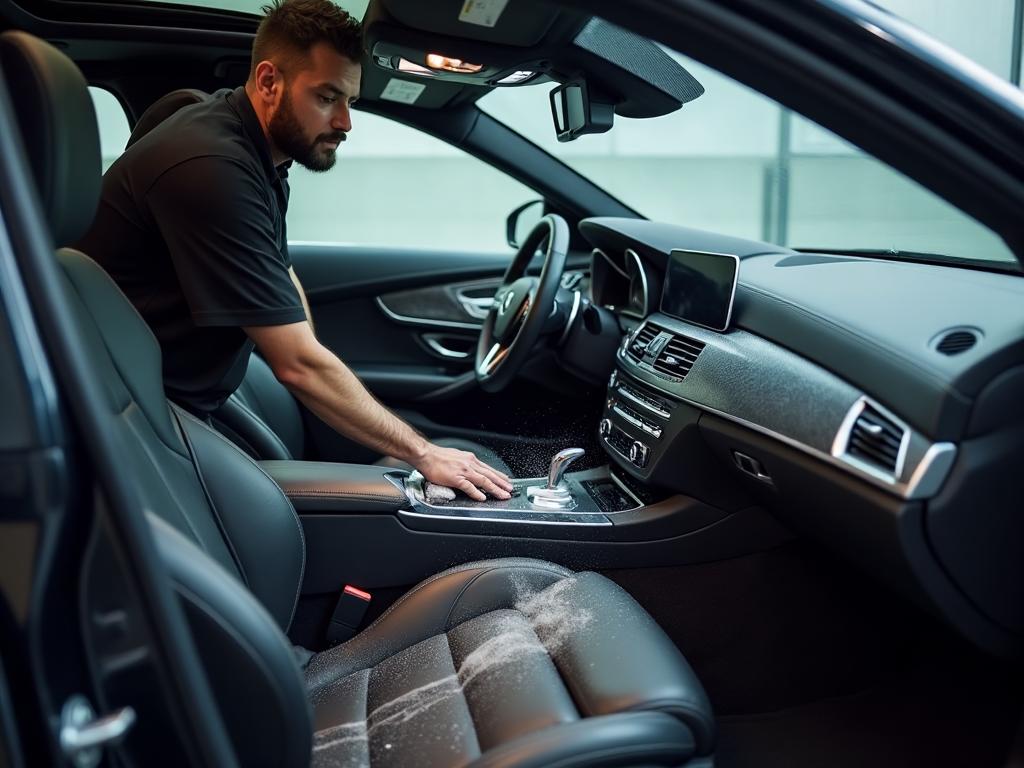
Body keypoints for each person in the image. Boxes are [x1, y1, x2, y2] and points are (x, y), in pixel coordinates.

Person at [77, 0, 512, 501]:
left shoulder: (256, 152)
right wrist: (425, 454)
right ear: (268, 82)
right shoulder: (211, 167)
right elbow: (297, 365)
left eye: (350, 99)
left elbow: (280, 271)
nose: (346, 121)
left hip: (174, 396)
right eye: (327, 97)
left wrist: (305, 344)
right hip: (140, 416)